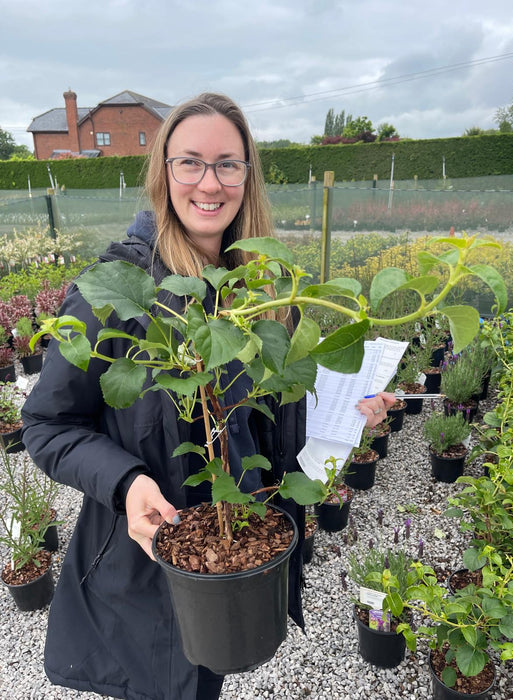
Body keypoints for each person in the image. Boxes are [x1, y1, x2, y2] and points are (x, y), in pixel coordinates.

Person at [21, 92, 394, 700]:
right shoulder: (116, 291)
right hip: (141, 572)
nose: (209, 182)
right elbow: (45, 426)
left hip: (234, 557)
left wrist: (347, 412)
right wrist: (126, 483)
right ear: (163, 173)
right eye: (190, 162)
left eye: (228, 164)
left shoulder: (263, 296)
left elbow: (275, 430)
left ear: (249, 177)